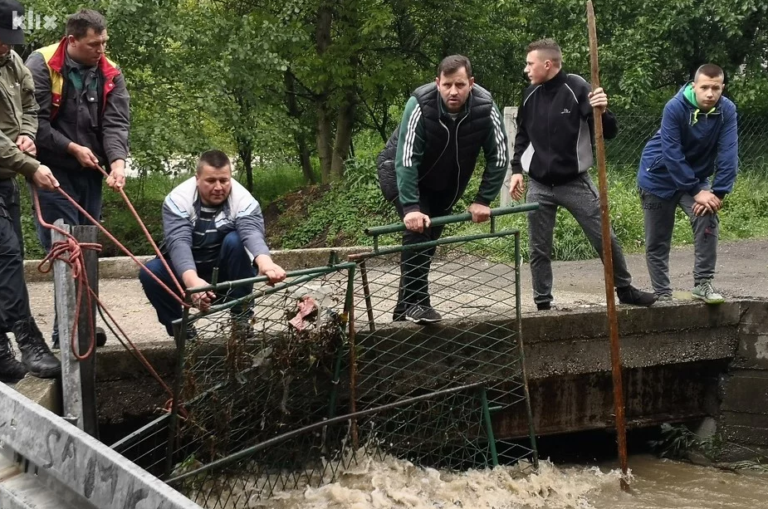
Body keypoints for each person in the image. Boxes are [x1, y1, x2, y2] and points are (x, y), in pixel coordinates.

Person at [509, 38, 656, 310]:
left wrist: (603, 109)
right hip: (539, 184)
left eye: (530, 64)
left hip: (575, 182)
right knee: (538, 248)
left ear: (547, 64)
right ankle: (542, 303)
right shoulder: (529, 95)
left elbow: (608, 131)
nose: (526, 69)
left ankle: (624, 289)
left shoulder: (577, 88)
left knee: (605, 237)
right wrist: (516, 169)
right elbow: (522, 134)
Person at [376, 54, 509, 324]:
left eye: (460, 85)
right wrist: (412, 207)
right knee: (418, 232)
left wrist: (483, 199)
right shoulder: (419, 104)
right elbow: (406, 159)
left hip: (445, 184)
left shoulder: (485, 106)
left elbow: (499, 155)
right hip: (402, 172)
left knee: (429, 243)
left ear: (471, 83)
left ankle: (402, 314)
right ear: (437, 82)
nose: (453, 92)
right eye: (447, 85)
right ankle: (417, 303)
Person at [26, 8, 130, 347]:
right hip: (50, 171)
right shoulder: (41, 65)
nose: (101, 50)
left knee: (86, 248)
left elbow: (116, 123)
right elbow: (34, 124)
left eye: (103, 43)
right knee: (66, 247)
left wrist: (117, 162)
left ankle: (76, 328)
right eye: (93, 44)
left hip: (91, 172)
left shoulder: (110, 71)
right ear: (72, 40)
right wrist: (71, 148)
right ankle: (69, 333)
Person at [139, 150, 287, 338]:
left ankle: (241, 322)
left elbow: (251, 233)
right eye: (210, 181)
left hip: (225, 275)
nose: (218, 187)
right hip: (187, 274)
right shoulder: (177, 200)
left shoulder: (244, 200)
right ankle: (183, 333)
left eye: (224, 180)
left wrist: (266, 264)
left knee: (236, 240)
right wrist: (193, 283)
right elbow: (179, 242)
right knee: (150, 272)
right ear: (197, 178)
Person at [637, 64, 737, 304]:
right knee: (658, 238)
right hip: (657, 178)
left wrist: (718, 193)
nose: (710, 93)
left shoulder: (726, 110)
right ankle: (662, 293)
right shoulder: (675, 107)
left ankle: (703, 284)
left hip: (695, 177)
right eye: (704, 87)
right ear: (694, 87)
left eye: (716, 88)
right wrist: (695, 191)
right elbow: (671, 152)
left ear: (722, 87)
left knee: (707, 216)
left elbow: (728, 153)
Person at [0, 0, 62, 382]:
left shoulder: (13, 62)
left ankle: (4, 348)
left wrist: (25, 133)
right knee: (5, 254)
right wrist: (33, 165)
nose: (7, 46)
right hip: (13, 166)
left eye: (11, 40)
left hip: (5, 176)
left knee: (11, 257)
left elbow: (30, 102)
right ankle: (28, 339)